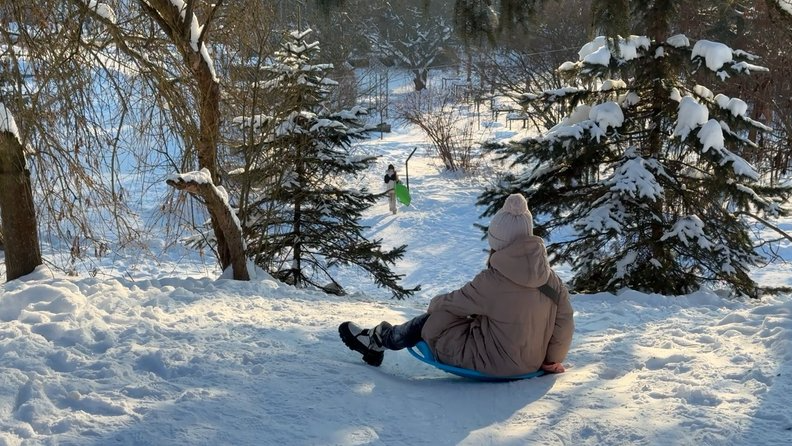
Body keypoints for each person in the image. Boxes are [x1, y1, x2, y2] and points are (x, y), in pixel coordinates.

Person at [339, 193, 574, 376]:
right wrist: (551, 360)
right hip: (530, 364)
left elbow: (451, 303)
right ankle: (379, 338)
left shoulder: (492, 282)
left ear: (498, 243)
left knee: (435, 318)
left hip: (491, 363)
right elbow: (563, 325)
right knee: (470, 317)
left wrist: (434, 304)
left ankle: (379, 339)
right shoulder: (552, 281)